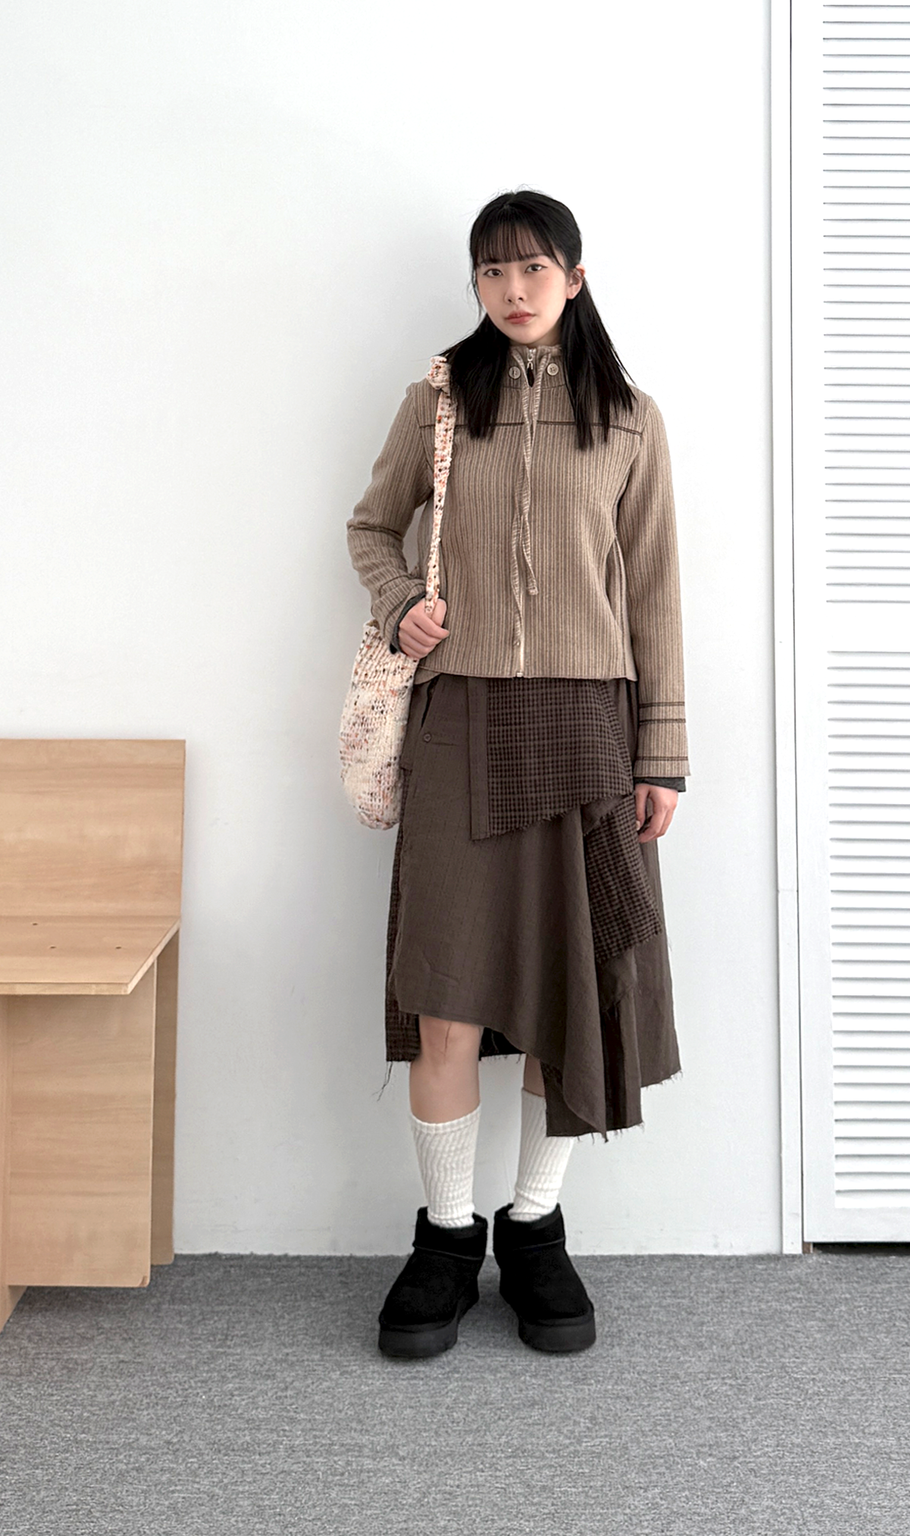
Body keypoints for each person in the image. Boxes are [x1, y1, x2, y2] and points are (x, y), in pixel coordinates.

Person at [346, 189, 690, 1360]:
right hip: (459, 725)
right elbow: (370, 527)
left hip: (590, 729)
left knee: (568, 994)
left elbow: (654, 594)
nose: (511, 289)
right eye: (491, 270)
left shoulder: (630, 419)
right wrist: (403, 605)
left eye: (532, 267)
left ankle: (533, 1228)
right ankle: (447, 1241)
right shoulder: (440, 403)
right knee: (445, 996)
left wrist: (662, 751)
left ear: (574, 278)